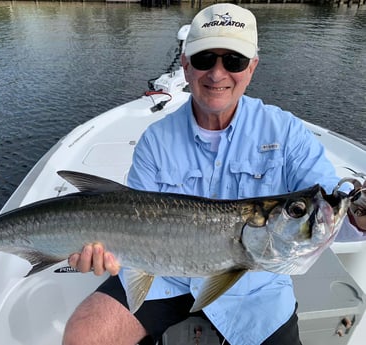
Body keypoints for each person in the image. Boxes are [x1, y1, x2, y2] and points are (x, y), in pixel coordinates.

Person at [63, 3, 366, 345]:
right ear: (186, 64)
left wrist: (359, 213)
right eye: (205, 59)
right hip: (166, 276)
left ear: (252, 67)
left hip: (255, 289)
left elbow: (330, 207)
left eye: (233, 61)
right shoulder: (155, 140)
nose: (217, 74)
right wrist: (104, 252)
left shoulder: (287, 133)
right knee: (83, 335)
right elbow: (129, 217)